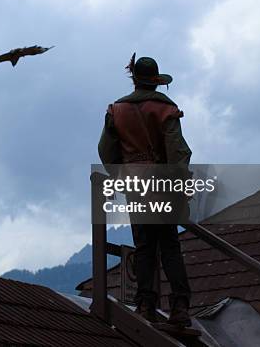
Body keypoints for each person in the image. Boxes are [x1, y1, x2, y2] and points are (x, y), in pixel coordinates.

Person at [98, 55, 192, 327]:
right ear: (156, 82)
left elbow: (106, 151)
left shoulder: (116, 110)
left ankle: (145, 306)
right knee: (169, 245)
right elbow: (178, 152)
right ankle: (180, 307)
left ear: (134, 79)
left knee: (144, 245)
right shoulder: (166, 109)